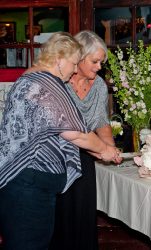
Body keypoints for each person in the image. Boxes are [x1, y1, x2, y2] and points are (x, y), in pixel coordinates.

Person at [0, 31, 120, 250]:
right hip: (29, 185)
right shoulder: (49, 86)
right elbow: (77, 133)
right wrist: (105, 150)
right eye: (74, 63)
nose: (75, 69)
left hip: (17, 183)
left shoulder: (28, 79)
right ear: (59, 60)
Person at [48, 30, 121, 250]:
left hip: (86, 158)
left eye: (101, 62)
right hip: (57, 158)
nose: (99, 67)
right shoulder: (59, 82)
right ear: (79, 58)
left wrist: (111, 149)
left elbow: (101, 122)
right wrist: (102, 150)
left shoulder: (98, 85)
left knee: (84, 216)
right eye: (95, 61)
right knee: (61, 218)